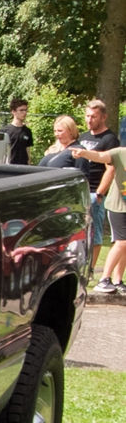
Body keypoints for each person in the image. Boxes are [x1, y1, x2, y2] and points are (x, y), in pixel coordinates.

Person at [72, 138, 126, 294]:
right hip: (118, 206)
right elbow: (100, 156)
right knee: (122, 242)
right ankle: (103, 279)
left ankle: (117, 280)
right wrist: (83, 153)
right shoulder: (120, 153)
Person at [75, 98, 119, 266]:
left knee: (95, 233)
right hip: (80, 190)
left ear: (103, 117)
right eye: (87, 116)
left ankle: (91, 268)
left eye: (93, 116)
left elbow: (111, 168)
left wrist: (100, 193)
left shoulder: (109, 139)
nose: (89, 119)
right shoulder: (83, 137)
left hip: (95, 191)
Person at [0, 97, 32, 164]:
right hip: (9, 167)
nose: (24, 113)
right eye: (21, 110)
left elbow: (28, 151)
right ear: (13, 111)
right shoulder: (4, 131)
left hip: (23, 167)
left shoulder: (27, 131)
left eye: (26, 110)